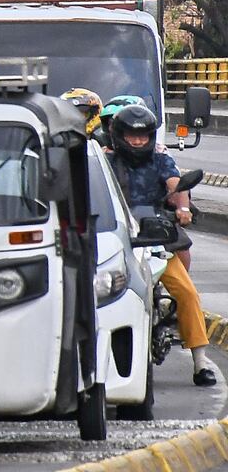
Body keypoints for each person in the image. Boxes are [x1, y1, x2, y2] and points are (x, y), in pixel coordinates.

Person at [107, 104, 216, 387]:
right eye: (132, 135)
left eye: (143, 136)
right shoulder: (104, 162)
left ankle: (200, 362)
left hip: (156, 240)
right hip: (117, 241)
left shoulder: (160, 160)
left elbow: (175, 184)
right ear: (119, 135)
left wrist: (183, 208)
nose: (138, 141)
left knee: (188, 293)